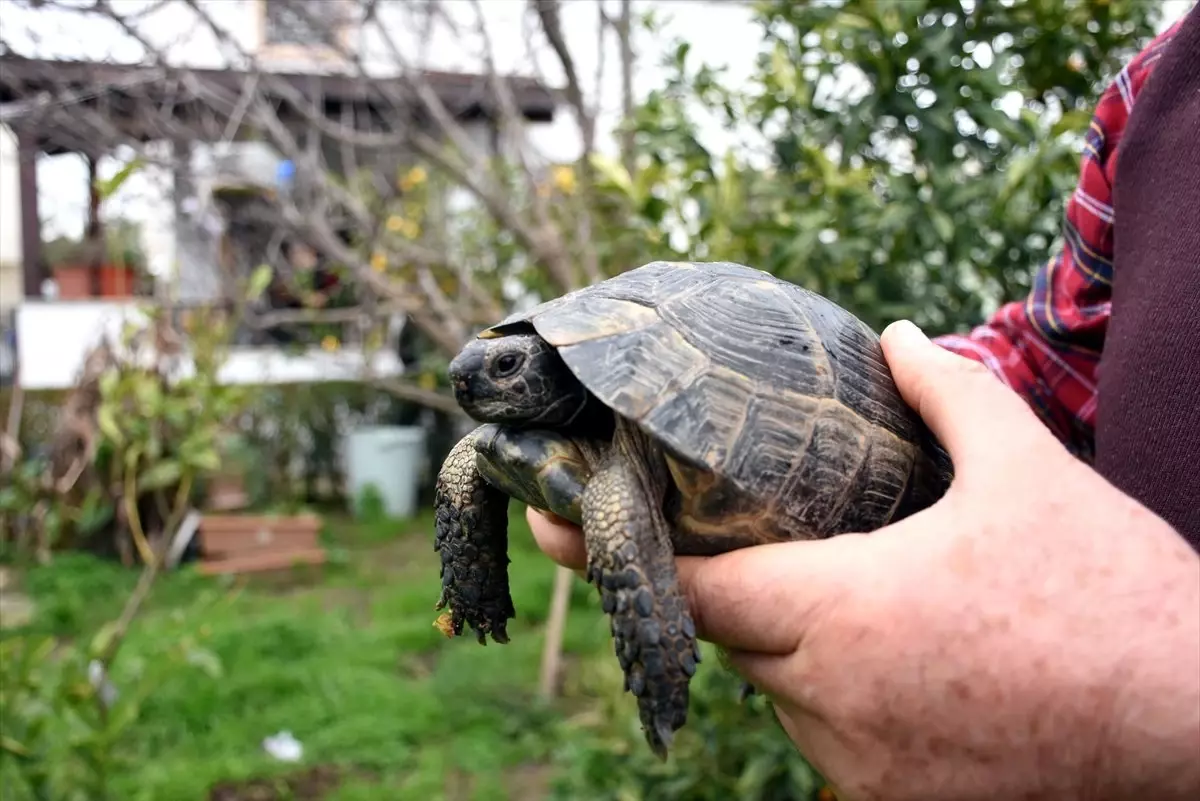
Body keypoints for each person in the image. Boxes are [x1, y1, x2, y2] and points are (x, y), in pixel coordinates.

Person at [527, 9, 1200, 801]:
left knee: (617, 523)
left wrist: (1146, 714)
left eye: (510, 369)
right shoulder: (1157, 84)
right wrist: (879, 390)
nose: (481, 383)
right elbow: (1059, 352)